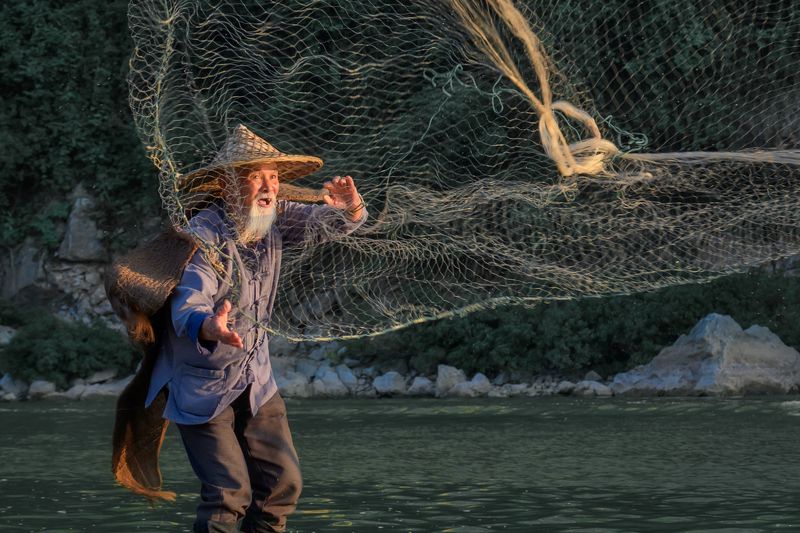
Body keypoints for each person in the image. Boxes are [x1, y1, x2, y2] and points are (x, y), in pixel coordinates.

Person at [143, 124, 367, 533]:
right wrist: (211, 326)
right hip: (203, 384)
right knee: (228, 495)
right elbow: (187, 304)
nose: (269, 186)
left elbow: (326, 224)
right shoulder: (202, 236)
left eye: (274, 177)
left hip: (255, 380)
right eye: (255, 177)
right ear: (227, 185)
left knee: (282, 486)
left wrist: (350, 209)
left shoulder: (274, 217)